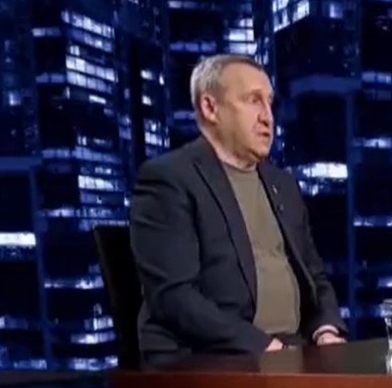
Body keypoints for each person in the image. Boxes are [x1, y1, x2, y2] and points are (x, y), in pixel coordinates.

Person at [129, 54, 347, 363]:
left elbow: (314, 274)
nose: (267, 117)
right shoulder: (169, 179)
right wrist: (267, 348)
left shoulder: (282, 184)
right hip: (210, 358)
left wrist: (326, 330)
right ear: (210, 107)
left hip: (289, 349)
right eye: (253, 100)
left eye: (269, 103)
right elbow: (174, 296)